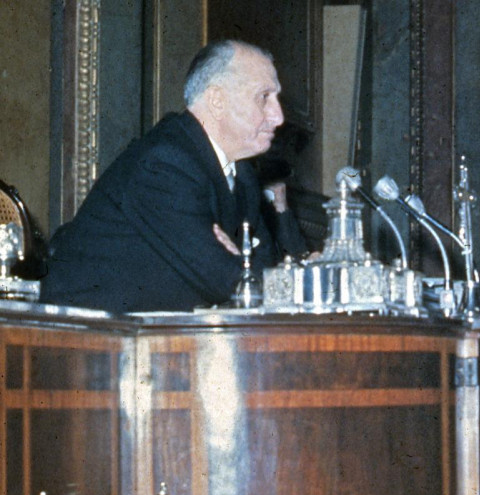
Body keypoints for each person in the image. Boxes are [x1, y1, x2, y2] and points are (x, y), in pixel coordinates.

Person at [41, 40, 305, 313]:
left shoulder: (242, 175)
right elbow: (227, 281)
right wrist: (239, 265)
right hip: (88, 341)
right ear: (217, 100)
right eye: (264, 97)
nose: (279, 116)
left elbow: (263, 272)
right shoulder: (164, 163)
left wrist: (236, 262)